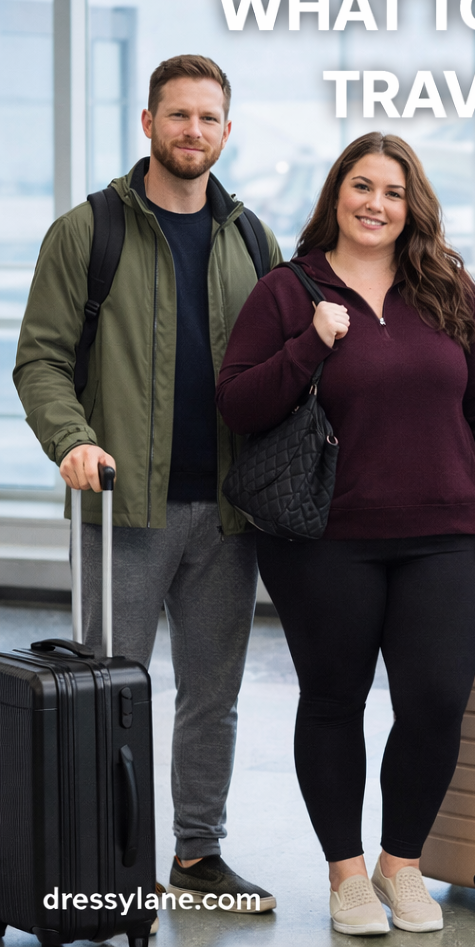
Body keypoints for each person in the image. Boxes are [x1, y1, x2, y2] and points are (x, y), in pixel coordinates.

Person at [216, 131, 475, 936]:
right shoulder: (289, 291)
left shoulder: (448, 288)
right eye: (361, 186)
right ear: (336, 195)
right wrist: (310, 342)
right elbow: (238, 405)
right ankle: (347, 875)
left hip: (443, 535)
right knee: (333, 701)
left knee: (436, 702)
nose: (375, 204)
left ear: (411, 206)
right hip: (324, 540)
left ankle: (401, 864)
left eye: (392, 191)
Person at [14, 55, 282, 912]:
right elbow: (40, 360)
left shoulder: (251, 238)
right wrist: (72, 439)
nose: (192, 131)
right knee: (109, 695)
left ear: (226, 131)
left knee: (213, 697)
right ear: (148, 123)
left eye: (208, 118)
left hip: (228, 514)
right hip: (120, 509)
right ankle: (106, 864)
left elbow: (281, 368)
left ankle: (198, 856)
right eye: (177, 115)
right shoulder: (87, 231)